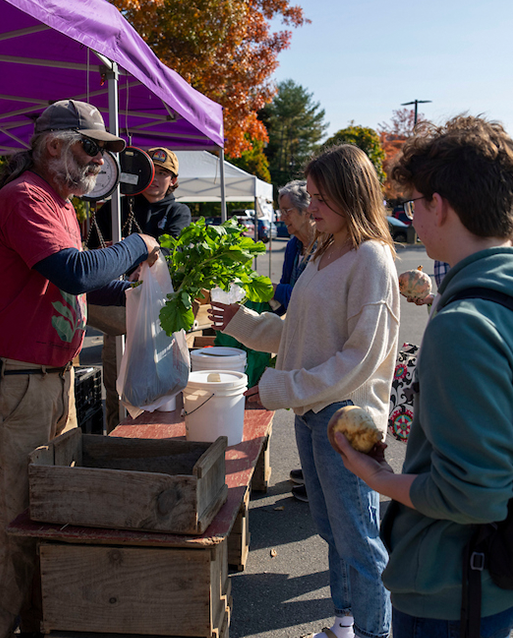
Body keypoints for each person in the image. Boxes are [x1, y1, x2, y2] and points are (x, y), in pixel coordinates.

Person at [333, 115, 513, 638]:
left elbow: (473, 496)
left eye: (413, 204)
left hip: (453, 585)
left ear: (438, 205)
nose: (411, 218)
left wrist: (374, 476)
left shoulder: (465, 324)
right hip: (510, 566)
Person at [0, 99, 159, 638]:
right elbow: (73, 272)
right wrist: (136, 245)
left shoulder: (62, 205)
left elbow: (83, 282)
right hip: (19, 386)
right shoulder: (23, 198)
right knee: (9, 522)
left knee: (49, 506)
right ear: (54, 146)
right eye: (91, 148)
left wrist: (145, 292)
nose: (99, 162)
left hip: (53, 379)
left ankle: (33, 622)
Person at [209, 144, 398, 638]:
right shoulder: (324, 249)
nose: (309, 208)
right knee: (334, 532)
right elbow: (299, 331)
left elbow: (356, 361)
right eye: (310, 197)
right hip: (315, 412)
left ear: (351, 196)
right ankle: (345, 623)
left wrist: (278, 386)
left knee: (359, 539)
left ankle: (374, 632)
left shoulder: (371, 258)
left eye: (320, 198)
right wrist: (243, 323)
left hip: (351, 418)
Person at [86, 146, 191, 429]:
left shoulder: (178, 212)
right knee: (115, 383)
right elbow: (92, 249)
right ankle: (114, 437)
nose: (156, 179)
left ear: (174, 180)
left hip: (159, 316)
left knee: (160, 387)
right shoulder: (117, 207)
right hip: (117, 311)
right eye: (152, 172)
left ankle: (158, 438)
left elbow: (172, 251)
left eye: (165, 174)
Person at [270, 179, 317, 501]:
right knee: (301, 408)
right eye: (281, 211)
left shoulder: (323, 247)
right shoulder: (292, 246)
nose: (282, 218)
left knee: (313, 397)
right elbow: (289, 298)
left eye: (287, 211)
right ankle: (311, 468)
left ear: (306, 211)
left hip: (315, 335)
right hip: (295, 330)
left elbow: (302, 296)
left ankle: (316, 476)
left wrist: (268, 289)